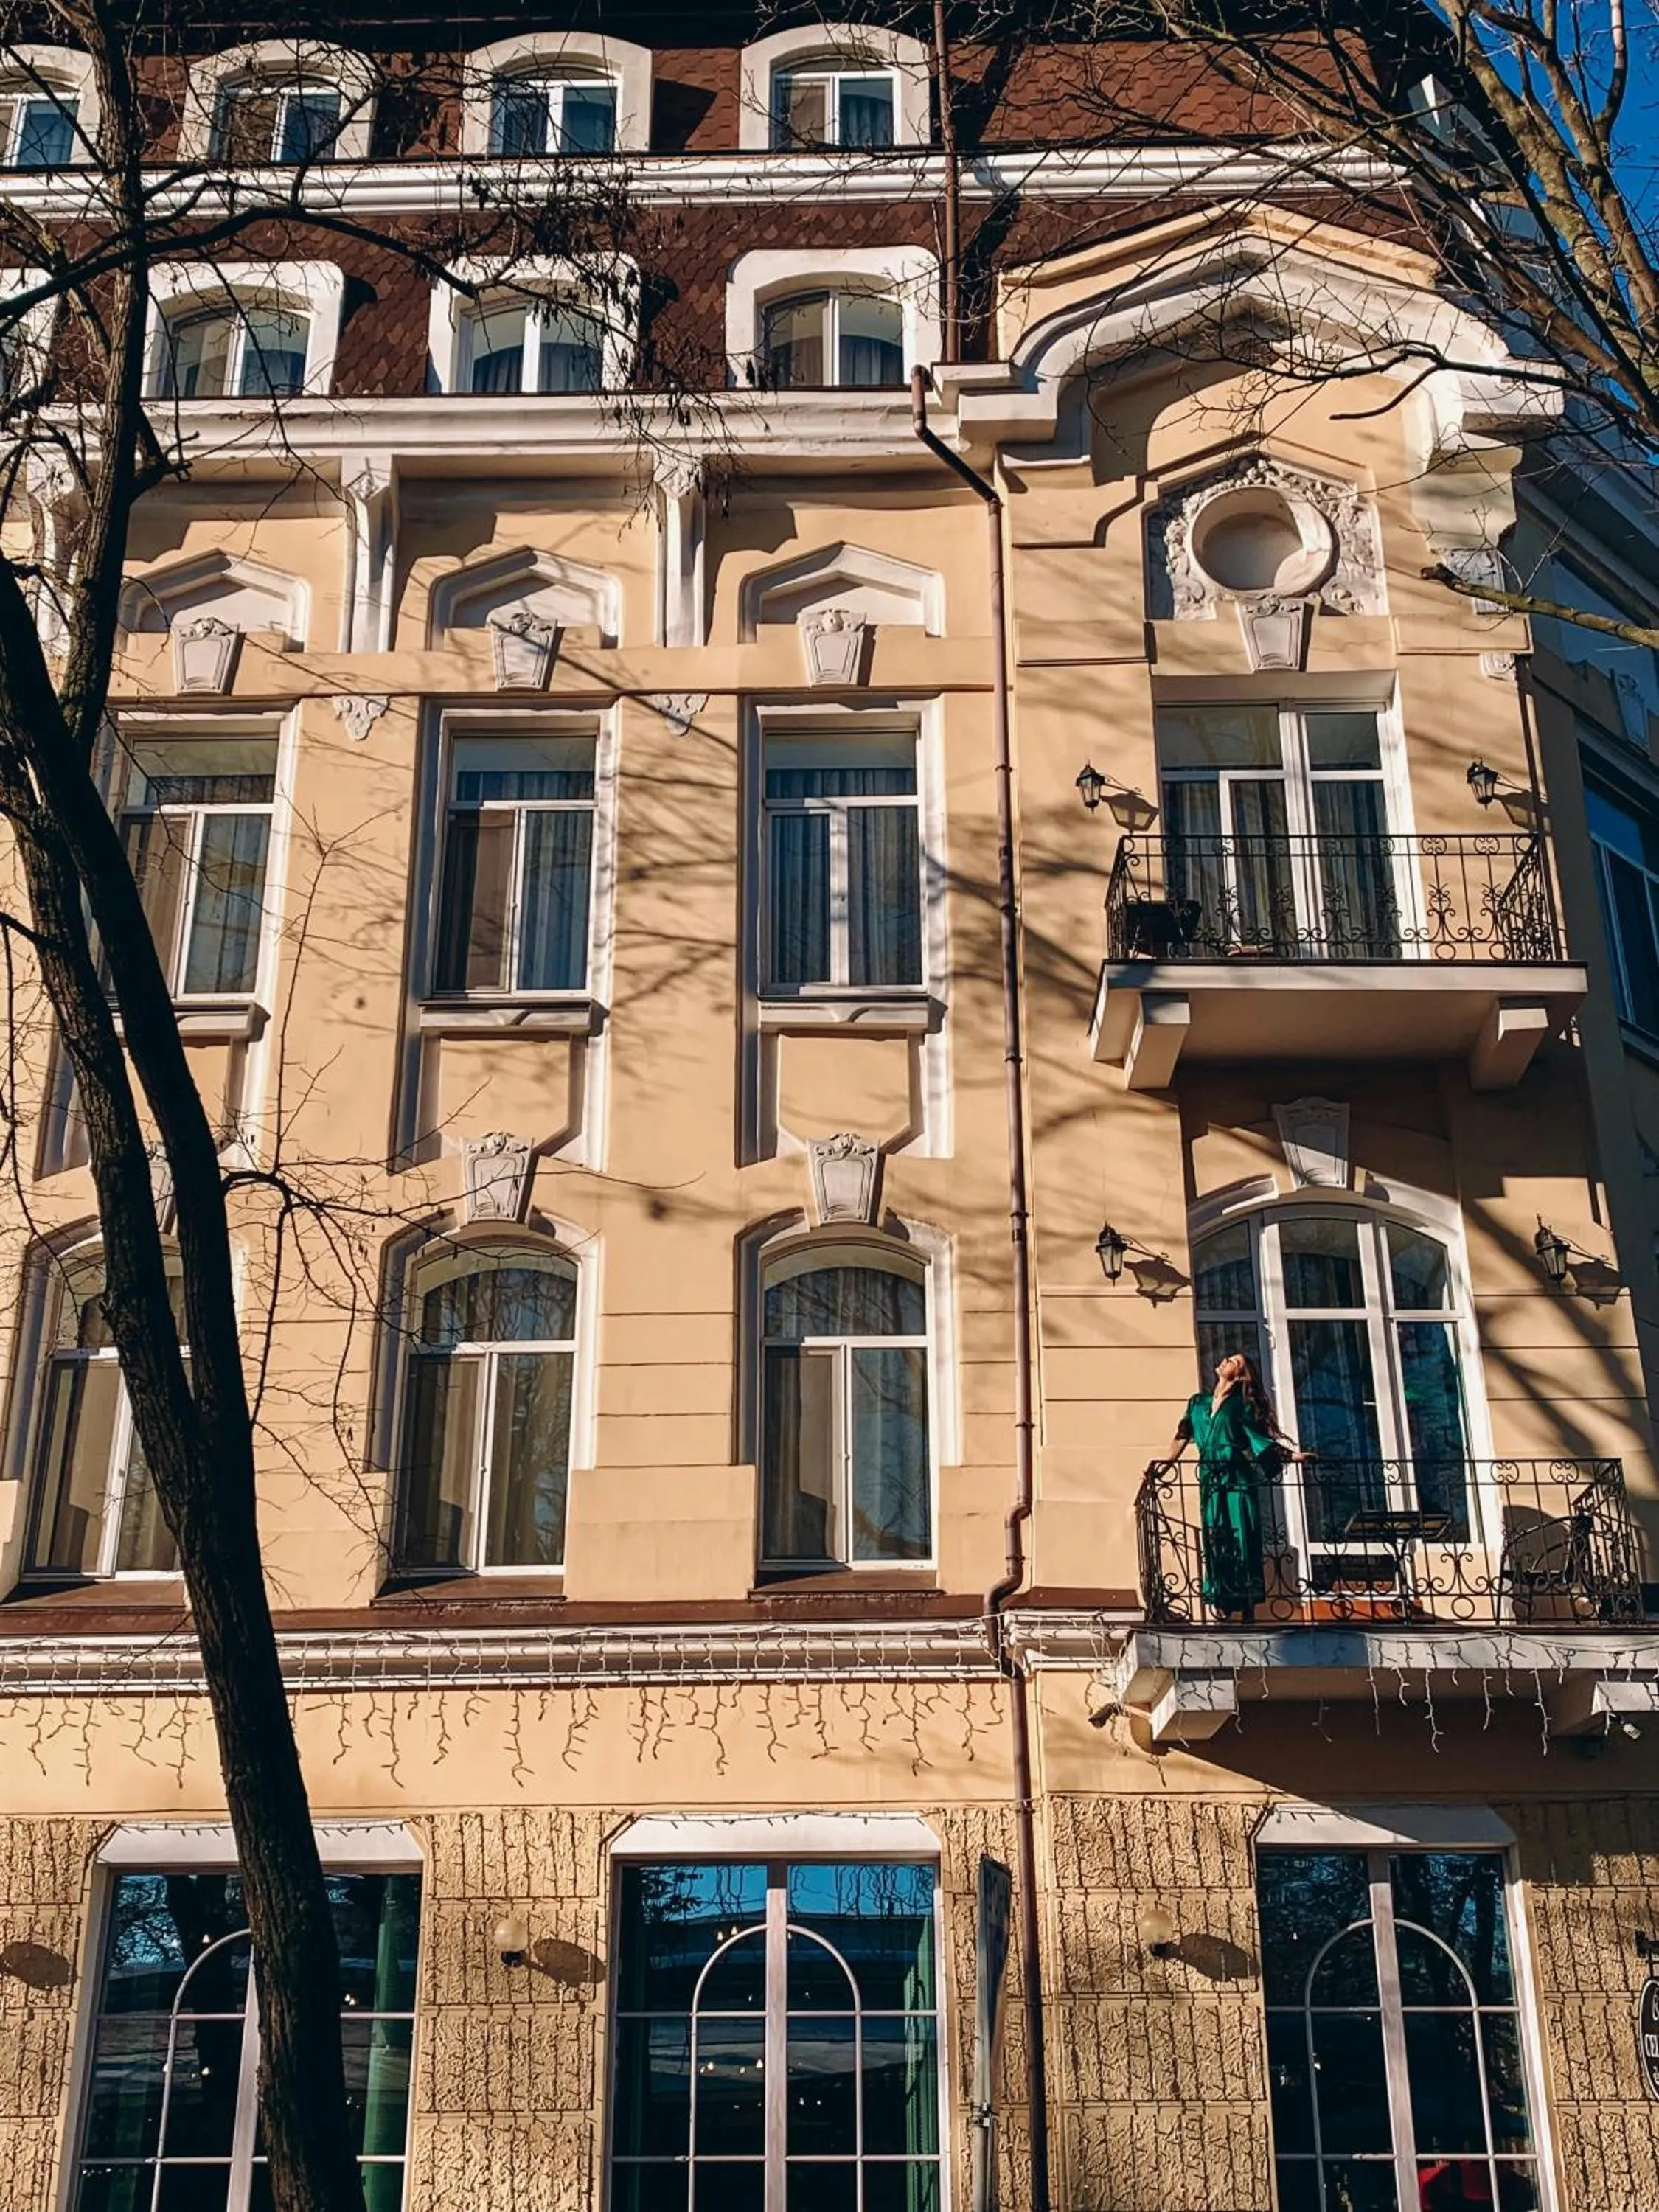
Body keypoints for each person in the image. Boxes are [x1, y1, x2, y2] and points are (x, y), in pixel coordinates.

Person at [1161, 1352, 1310, 1616]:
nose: (1225, 1360)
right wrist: (1163, 1466)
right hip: (1211, 1478)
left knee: (1242, 1534)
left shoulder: (1242, 1405)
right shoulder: (1198, 1402)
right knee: (1216, 1537)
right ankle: (1222, 1599)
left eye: (1233, 1361)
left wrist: (1292, 1456)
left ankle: (1248, 1604)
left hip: (1238, 1478)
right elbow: (1182, 1435)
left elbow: (1258, 1440)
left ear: (1241, 1374)